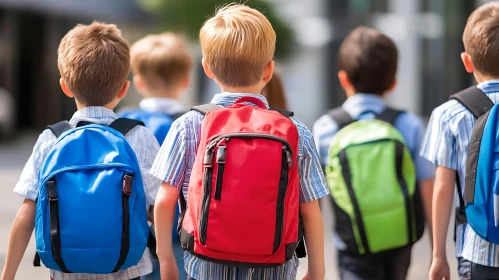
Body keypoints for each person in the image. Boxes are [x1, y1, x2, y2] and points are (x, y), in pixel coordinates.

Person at [150, 4, 328, 280]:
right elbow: (311, 209)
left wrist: (166, 262)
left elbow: (164, 202)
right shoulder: (296, 131)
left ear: (207, 68)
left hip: (206, 266)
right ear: (269, 71)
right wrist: (317, 271)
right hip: (274, 269)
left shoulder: (188, 125)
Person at [1, 22, 160, 280]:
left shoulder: (52, 138)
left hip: (65, 268)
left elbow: (27, 211)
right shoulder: (138, 136)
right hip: (126, 268)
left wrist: (7, 274)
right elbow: (160, 207)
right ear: (123, 89)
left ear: (65, 86)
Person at [313, 26, 435, 280]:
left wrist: (314, 257)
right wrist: (437, 252)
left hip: (351, 241)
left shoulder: (327, 127)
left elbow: (315, 196)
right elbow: (427, 186)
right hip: (400, 237)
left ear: (343, 79)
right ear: (393, 83)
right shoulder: (407, 124)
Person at [422, 2, 499, 279]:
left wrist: (438, 256)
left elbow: (442, 188)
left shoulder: (448, 114)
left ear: (467, 61)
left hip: (476, 248)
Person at [118, 32, 192, 280]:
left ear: (138, 82)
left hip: (133, 236)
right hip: (181, 237)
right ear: (185, 81)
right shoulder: (194, 122)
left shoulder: (123, 122)